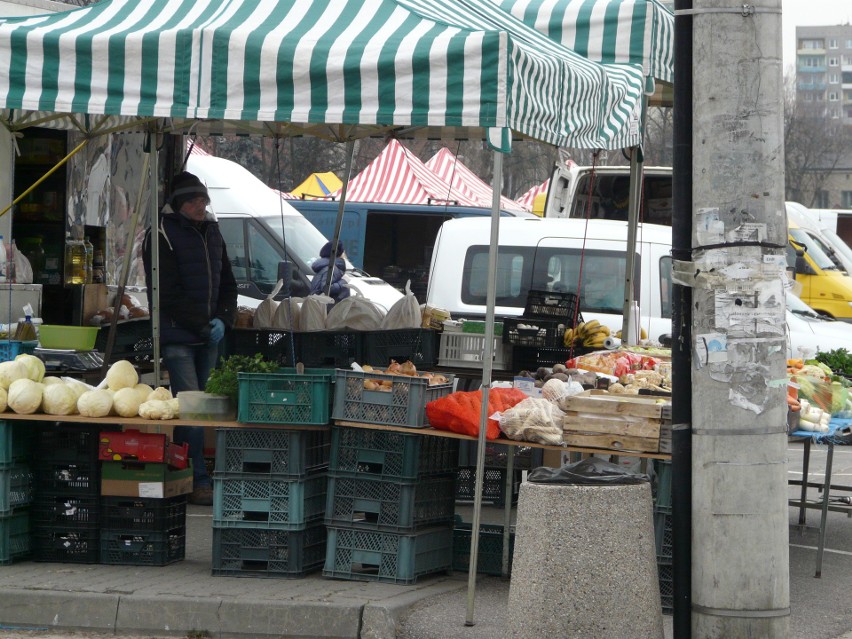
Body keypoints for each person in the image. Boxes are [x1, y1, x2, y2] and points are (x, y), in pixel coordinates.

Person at [142, 171, 237, 506]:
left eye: (204, 199)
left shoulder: (213, 232)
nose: (202, 205)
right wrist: (202, 325)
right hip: (179, 337)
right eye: (195, 200)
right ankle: (197, 479)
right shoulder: (162, 234)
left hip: (208, 336)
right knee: (194, 410)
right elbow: (165, 293)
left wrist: (223, 319)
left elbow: (228, 283)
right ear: (180, 203)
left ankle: (182, 474)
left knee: (198, 412)